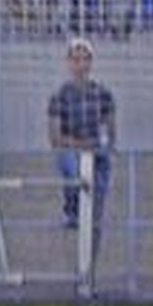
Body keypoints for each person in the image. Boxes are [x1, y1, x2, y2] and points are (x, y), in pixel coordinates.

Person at [48, 37, 117, 250]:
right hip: (71, 149)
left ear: (91, 63)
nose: (80, 65)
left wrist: (103, 145)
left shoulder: (103, 93)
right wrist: (81, 143)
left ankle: (92, 223)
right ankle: (72, 208)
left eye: (85, 59)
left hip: (96, 149)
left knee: (99, 184)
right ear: (69, 63)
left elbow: (111, 129)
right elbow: (55, 137)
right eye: (76, 59)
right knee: (72, 168)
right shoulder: (60, 96)